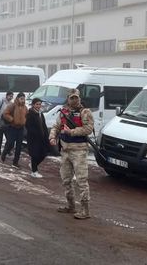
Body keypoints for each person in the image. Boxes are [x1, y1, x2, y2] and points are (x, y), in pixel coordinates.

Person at [49, 88, 94, 220]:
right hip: (65, 151)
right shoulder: (64, 112)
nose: (74, 100)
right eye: (72, 98)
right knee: (66, 180)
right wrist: (52, 137)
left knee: (82, 180)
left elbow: (88, 129)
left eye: (76, 98)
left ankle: (85, 210)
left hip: (79, 151)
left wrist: (72, 132)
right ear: (68, 99)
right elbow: (56, 126)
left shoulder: (85, 112)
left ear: (79, 98)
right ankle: (71, 205)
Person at [1, 92, 28, 168]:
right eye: (21, 99)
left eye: (23, 99)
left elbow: (27, 115)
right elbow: (5, 113)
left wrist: (25, 121)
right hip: (12, 127)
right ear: (17, 98)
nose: (22, 100)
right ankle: (4, 153)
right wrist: (11, 119)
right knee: (10, 143)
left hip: (21, 128)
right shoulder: (12, 105)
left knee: (19, 146)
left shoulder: (25, 107)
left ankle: (15, 162)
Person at [25, 98, 51, 178]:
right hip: (33, 138)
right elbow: (28, 126)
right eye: (37, 104)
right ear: (33, 105)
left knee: (44, 154)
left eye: (39, 104)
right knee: (35, 155)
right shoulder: (30, 114)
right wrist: (36, 134)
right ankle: (34, 171)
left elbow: (44, 125)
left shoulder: (40, 114)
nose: (38, 106)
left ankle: (33, 164)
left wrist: (47, 135)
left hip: (42, 138)